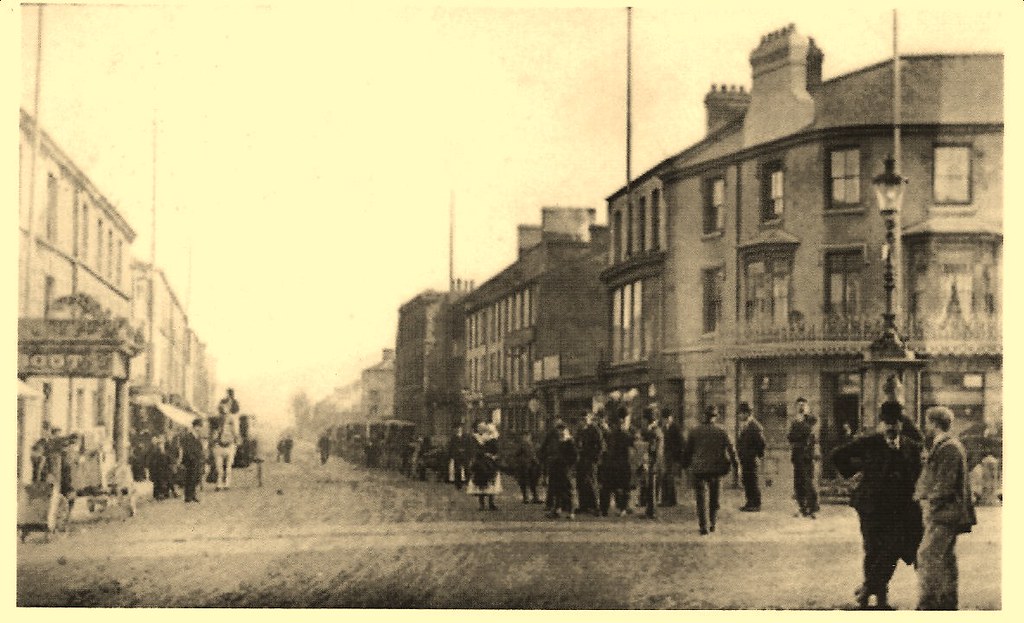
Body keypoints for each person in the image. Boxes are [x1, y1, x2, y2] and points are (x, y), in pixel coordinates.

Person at [831, 401, 924, 610]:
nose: (892, 428)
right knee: (873, 550)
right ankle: (874, 600)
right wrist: (858, 472)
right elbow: (837, 456)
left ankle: (869, 589)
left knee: (891, 551)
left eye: (896, 423)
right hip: (871, 507)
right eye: (888, 423)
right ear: (882, 424)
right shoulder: (869, 442)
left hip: (897, 509)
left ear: (902, 424)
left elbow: (916, 473)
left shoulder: (910, 446)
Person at [914, 406, 977, 611]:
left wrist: (928, 502)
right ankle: (947, 602)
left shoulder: (949, 447)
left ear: (934, 423)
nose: (925, 427)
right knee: (946, 558)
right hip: (947, 512)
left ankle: (929, 604)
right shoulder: (947, 445)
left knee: (928, 556)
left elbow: (945, 484)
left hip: (944, 513)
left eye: (927, 422)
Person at [681, 406, 738, 535]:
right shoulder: (722, 431)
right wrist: (736, 466)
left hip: (699, 470)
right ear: (715, 417)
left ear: (704, 416)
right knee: (714, 498)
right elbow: (731, 450)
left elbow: (687, 452)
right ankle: (713, 523)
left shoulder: (694, 431)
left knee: (701, 499)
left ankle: (703, 526)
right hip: (716, 470)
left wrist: (684, 466)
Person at [787, 397, 820, 518]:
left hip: (807, 457)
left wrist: (801, 422)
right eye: (798, 405)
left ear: (807, 407)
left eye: (803, 405)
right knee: (798, 483)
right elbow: (790, 437)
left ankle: (812, 508)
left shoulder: (811, 420)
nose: (800, 407)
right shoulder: (795, 421)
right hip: (797, 456)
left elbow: (809, 432)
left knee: (808, 482)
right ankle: (802, 507)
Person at [599, 408, 635, 517]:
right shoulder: (625, 433)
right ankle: (622, 508)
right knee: (622, 487)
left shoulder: (614, 432)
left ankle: (607, 509)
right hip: (621, 463)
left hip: (613, 463)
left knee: (611, 487)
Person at [736, 402, 766, 512]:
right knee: (747, 480)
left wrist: (755, 455)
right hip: (745, 458)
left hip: (751, 459)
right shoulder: (745, 425)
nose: (739, 416)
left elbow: (761, 443)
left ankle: (756, 504)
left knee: (752, 480)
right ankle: (749, 502)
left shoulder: (755, 426)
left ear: (747, 413)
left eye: (741, 413)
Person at [467, 421, 501, 511]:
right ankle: (481, 504)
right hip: (480, 463)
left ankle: (491, 503)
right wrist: (486, 454)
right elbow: (474, 450)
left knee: (492, 481)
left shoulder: (491, 437)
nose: (482, 428)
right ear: (477, 428)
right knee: (481, 482)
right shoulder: (475, 438)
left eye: (483, 426)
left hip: (491, 463)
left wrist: (494, 454)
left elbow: (496, 449)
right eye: (480, 426)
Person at [575, 410, 604, 516]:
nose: (583, 421)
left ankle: (596, 507)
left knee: (591, 482)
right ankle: (583, 506)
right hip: (581, 459)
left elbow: (601, 445)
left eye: (585, 418)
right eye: (581, 419)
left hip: (590, 459)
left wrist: (595, 458)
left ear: (589, 418)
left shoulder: (595, 429)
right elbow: (576, 442)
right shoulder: (580, 430)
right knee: (580, 482)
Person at [548, 423, 578, 519]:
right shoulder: (560, 441)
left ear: (566, 431)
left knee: (568, 490)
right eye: (559, 431)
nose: (561, 433)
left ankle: (571, 512)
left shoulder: (570, 442)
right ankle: (557, 510)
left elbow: (575, 457)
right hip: (557, 469)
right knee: (557, 490)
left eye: (562, 430)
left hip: (566, 470)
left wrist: (568, 464)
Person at [639, 407, 665, 519]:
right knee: (651, 487)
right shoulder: (655, 430)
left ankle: (652, 512)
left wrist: (650, 464)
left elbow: (654, 450)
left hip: (654, 463)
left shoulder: (654, 432)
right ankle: (650, 510)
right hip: (655, 462)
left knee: (652, 487)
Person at [212, 390, 241, 490]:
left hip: (229, 444)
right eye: (222, 406)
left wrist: (236, 437)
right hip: (218, 444)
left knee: (228, 467)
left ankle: (227, 483)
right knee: (219, 467)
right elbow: (213, 430)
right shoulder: (217, 419)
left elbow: (235, 431)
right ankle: (219, 483)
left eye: (226, 406)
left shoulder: (232, 419)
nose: (224, 408)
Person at [179, 418, 207, 503]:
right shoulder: (188, 436)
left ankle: (193, 495)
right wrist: (192, 458)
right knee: (190, 478)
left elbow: (199, 448)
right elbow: (187, 449)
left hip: (197, 460)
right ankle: (188, 497)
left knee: (196, 477)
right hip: (190, 460)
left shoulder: (197, 436)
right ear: (196, 427)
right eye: (200, 427)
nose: (201, 429)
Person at [660, 409, 684, 508]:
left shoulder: (676, 428)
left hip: (673, 456)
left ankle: (670, 500)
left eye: (667, 418)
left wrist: (676, 454)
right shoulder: (665, 428)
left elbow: (681, 442)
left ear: (671, 417)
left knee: (670, 478)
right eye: (664, 418)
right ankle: (666, 499)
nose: (666, 420)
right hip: (666, 455)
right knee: (665, 477)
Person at [512, 431, 542, 504]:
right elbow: (516, 454)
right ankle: (525, 498)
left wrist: (537, 462)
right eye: (525, 436)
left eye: (528, 436)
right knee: (523, 482)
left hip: (532, 466)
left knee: (533, 482)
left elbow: (534, 455)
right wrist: (522, 461)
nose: (526, 438)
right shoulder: (521, 445)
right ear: (523, 437)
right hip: (523, 466)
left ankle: (535, 497)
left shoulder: (532, 445)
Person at [448, 424, 469, 489]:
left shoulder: (466, 437)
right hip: (457, 455)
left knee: (466, 469)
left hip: (465, 455)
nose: (458, 430)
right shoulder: (453, 438)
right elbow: (451, 447)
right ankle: (458, 484)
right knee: (457, 469)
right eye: (457, 429)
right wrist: (453, 454)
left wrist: (465, 450)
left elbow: (468, 445)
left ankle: (467, 483)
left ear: (462, 429)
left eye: (459, 429)